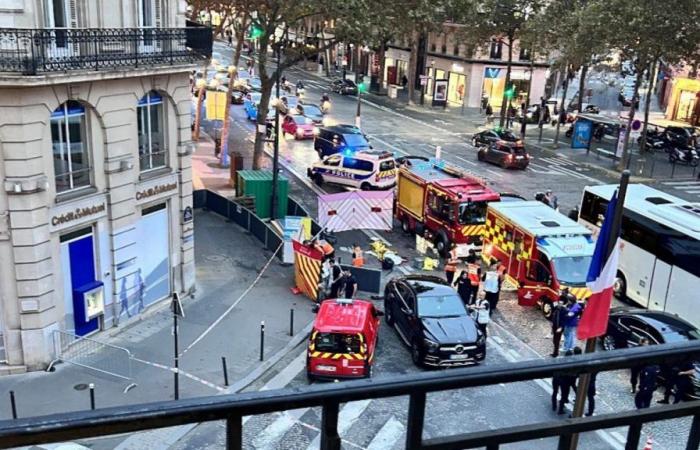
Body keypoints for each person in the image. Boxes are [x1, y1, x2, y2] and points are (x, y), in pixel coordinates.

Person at [552, 350, 575, 414]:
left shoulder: (559, 359)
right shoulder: (570, 363)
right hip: (563, 380)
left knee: (555, 392)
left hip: (556, 377)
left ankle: (554, 406)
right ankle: (560, 409)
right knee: (563, 395)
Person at [550, 291, 570, 357]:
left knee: (556, 340)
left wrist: (561, 327)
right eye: (559, 302)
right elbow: (553, 308)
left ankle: (555, 353)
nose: (559, 304)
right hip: (555, 325)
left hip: (559, 327)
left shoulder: (565, 310)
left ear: (563, 303)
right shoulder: (556, 307)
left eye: (561, 303)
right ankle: (556, 350)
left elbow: (564, 321)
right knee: (554, 340)